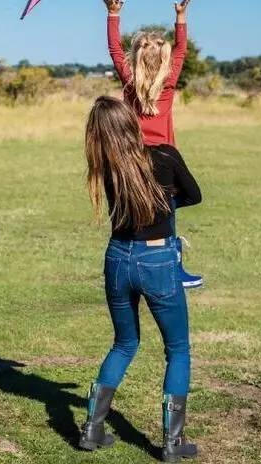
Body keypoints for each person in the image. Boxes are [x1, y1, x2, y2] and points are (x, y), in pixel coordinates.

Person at [79, 96, 202, 462]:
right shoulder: (164, 155)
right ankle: (172, 443)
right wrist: (163, 202)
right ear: (132, 123)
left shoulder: (106, 166)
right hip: (157, 259)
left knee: (124, 344)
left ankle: (92, 429)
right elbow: (195, 195)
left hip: (117, 258)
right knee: (177, 349)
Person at [102, 0, 204, 290]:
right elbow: (182, 49)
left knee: (135, 209)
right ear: (164, 61)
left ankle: (132, 263)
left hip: (132, 157)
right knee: (169, 210)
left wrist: (113, 13)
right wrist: (181, 18)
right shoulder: (169, 82)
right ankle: (172, 267)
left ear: (135, 58)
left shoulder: (129, 81)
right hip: (165, 159)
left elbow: (114, 50)